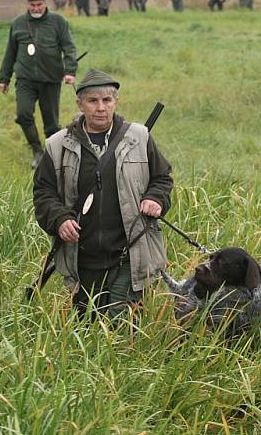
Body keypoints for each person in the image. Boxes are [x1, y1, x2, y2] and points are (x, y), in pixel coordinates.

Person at [33, 69, 173, 320]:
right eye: (93, 101)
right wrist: (60, 219)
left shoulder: (139, 138)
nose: (100, 108)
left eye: (107, 100)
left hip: (130, 251)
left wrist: (155, 198)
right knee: (86, 323)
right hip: (82, 256)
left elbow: (162, 178)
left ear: (115, 103)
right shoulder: (58, 144)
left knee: (120, 322)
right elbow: (44, 193)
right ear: (80, 104)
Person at [0, 0, 78, 168]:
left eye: (39, 4)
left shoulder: (58, 22)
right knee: (23, 114)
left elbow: (69, 48)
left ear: (45, 3)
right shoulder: (18, 23)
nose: (36, 8)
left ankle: (52, 156)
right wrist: (4, 78)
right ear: (28, 4)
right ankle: (37, 151)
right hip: (25, 79)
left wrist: (70, 71)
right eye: (32, 5)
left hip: (50, 79)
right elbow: (10, 52)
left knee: (51, 124)